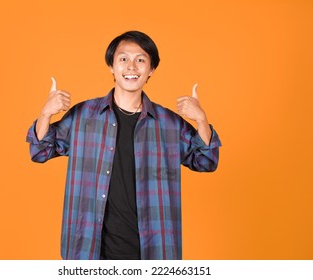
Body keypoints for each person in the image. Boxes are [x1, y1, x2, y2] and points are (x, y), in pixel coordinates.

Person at [26, 30, 221, 260]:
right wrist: (45, 114)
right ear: (111, 66)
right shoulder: (83, 116)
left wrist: (201, 120)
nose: (131, 66)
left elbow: (206, 161)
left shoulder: (168, 124)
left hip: (153, 252)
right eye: (123, 59)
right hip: (90, 251)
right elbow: (40, 151)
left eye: (140, 60)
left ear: (151, 69)